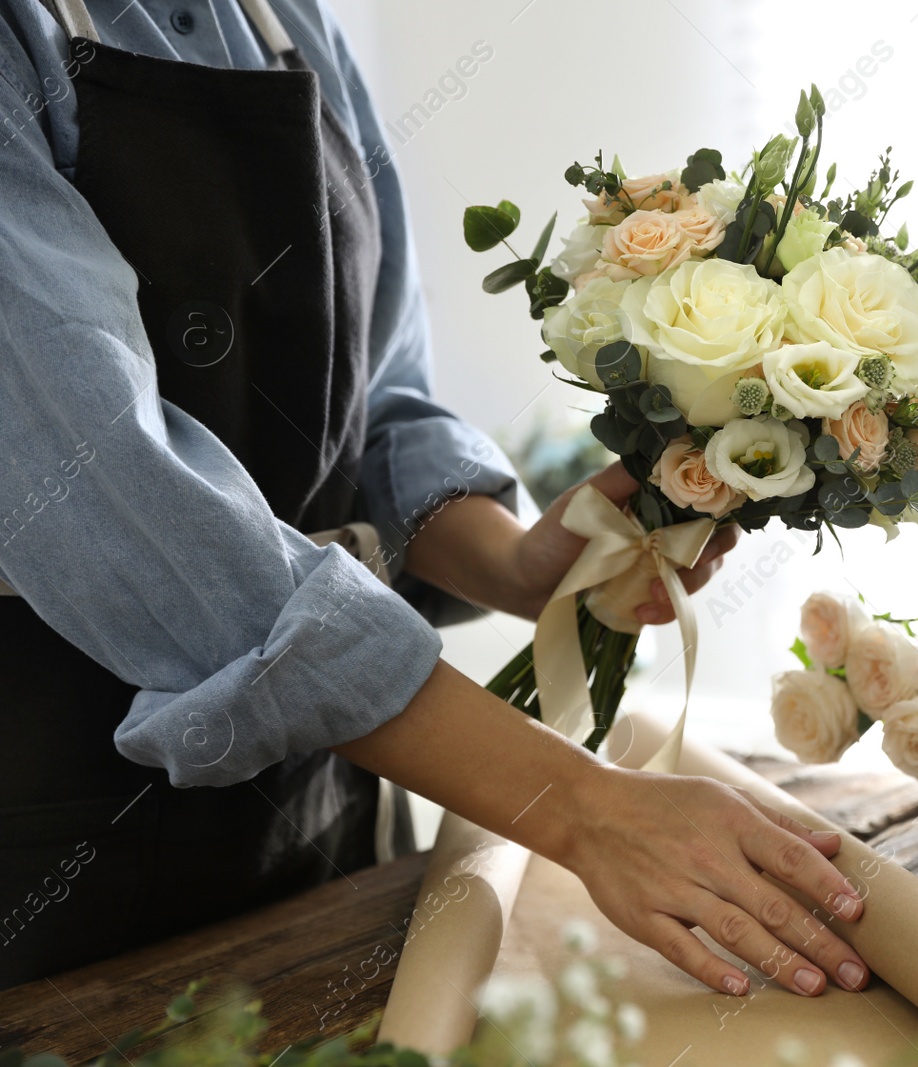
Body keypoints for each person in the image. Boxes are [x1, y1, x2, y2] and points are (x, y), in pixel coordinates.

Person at [0, 0, 870, 1000]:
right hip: (53, 847)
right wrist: (582, 806)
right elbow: (124, 509)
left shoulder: (283, 18)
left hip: (323, 816)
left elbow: (374, 405)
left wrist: (512, 561)